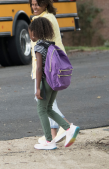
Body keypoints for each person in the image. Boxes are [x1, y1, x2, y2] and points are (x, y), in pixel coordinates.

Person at [29, 17, 80, 150]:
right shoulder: (51, 44)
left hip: (45, 82)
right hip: (54, 81)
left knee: (41, 110)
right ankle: (68, 128)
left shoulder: (39, 46)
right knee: (49, 108)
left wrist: (38, 87)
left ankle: (49, 141)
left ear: (34, 32)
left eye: (30, 32)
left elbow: (39, 68)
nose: (30, 35)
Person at [29, 0, 70, 144]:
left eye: (37, 4)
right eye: (32, 5)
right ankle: (53, 135)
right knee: (49, 104)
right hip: (55, 66)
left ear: (45, 4)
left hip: (46, 69)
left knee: (43, 104)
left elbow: (39, 48)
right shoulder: (50, 17)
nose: (34, 7)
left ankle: (68, 127)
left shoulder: (42, 20)